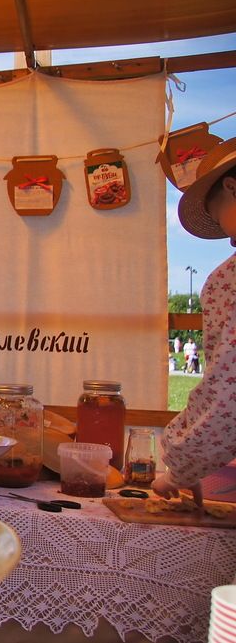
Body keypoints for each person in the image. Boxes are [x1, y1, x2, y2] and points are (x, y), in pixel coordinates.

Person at [153, 137, 236, 505]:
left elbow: (227, 393)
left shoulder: (227, 280)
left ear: (231, 188)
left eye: (220, 216)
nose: (231, 240)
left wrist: (179, 468)